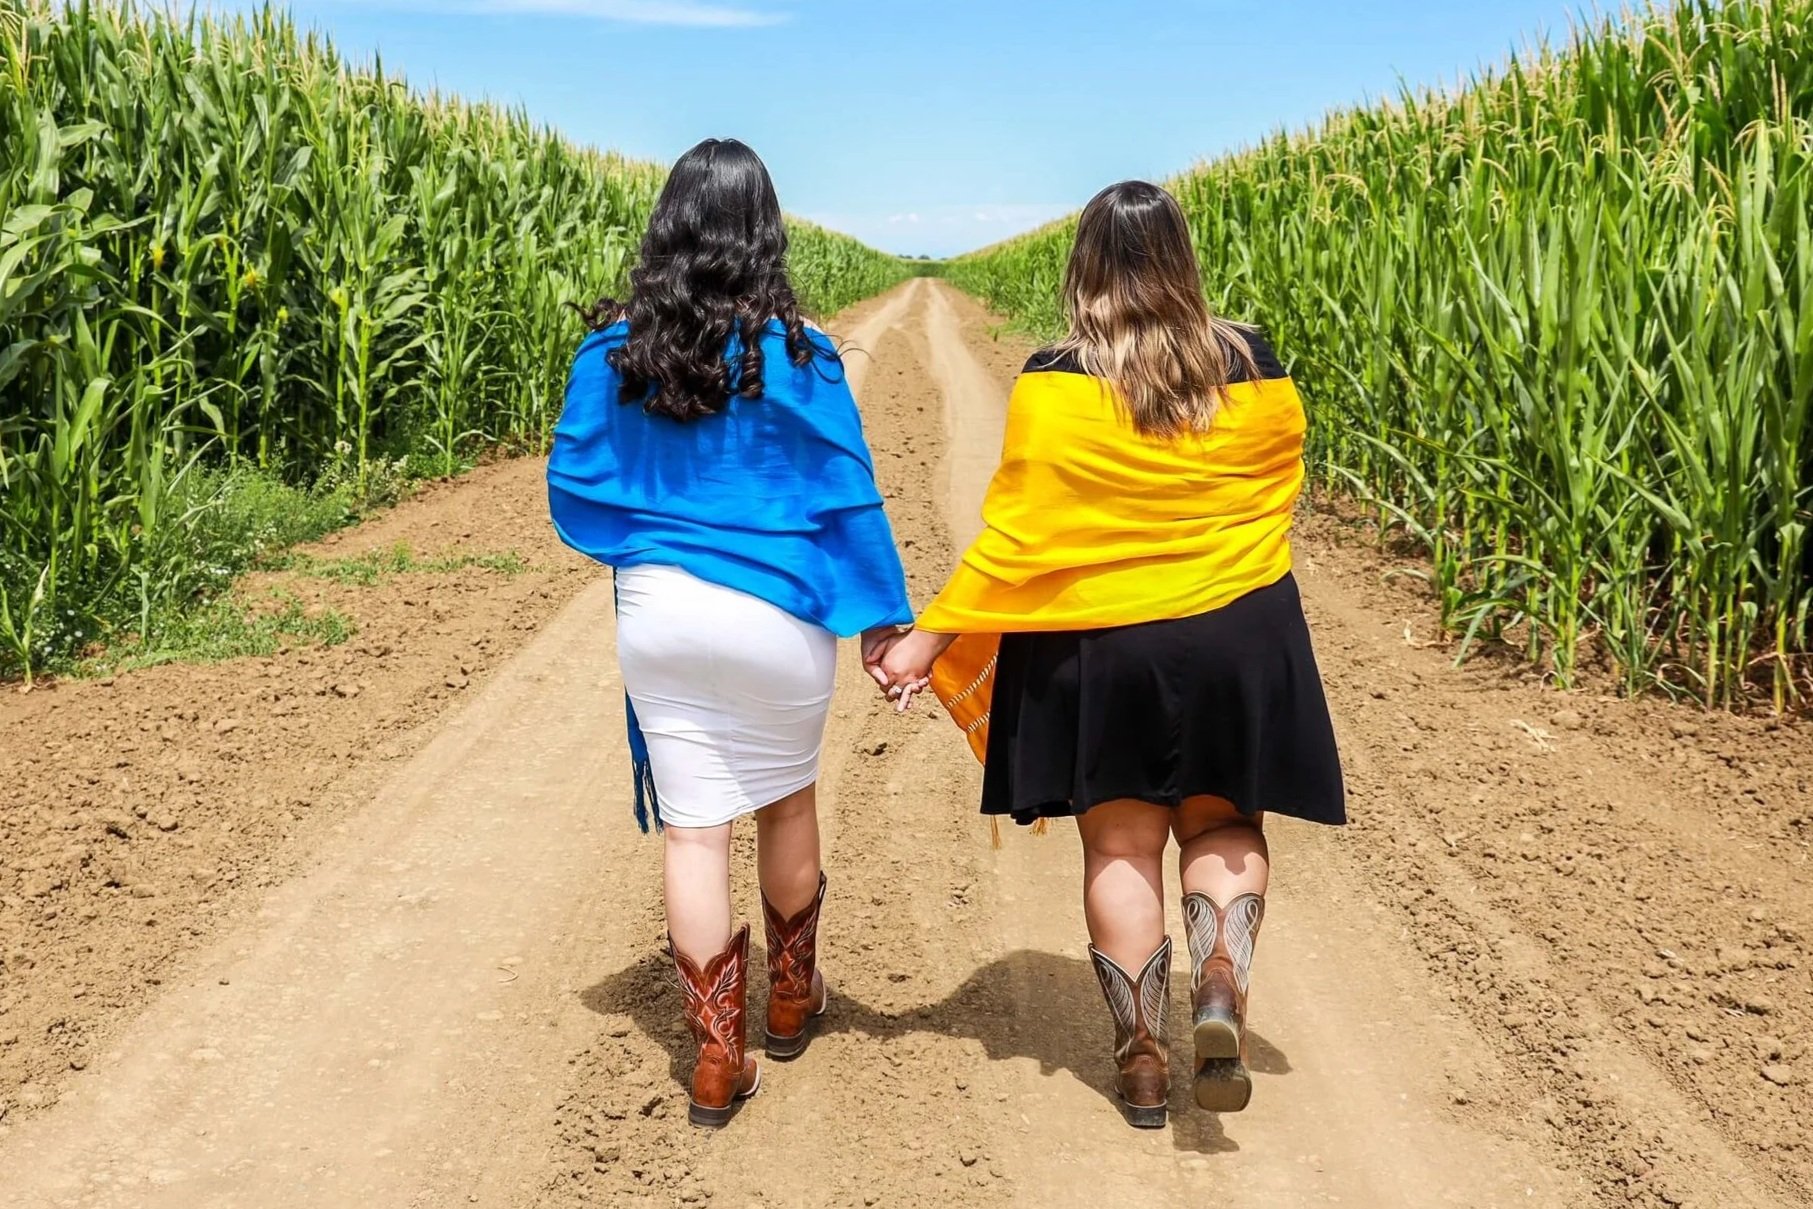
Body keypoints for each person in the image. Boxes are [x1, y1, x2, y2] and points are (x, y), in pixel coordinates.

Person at [874, 181, 1346, 1129]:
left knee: (1120, 841)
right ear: (1182, 260)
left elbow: (1021, 537)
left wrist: (927, 639)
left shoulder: (1056, 376)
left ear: (1083, 267)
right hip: (1236, 631)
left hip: (1103, 643)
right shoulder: (1252, 362)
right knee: (1222, 829)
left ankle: (1140, 1057)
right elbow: (1279, 482)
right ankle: (1219, 981)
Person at [548, 138, 911, 1129]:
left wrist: (653, 537)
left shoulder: (614, 354)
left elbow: (573, 483)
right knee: (786, 805)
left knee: (692, 832)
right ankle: (790, 999)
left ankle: (717, 1058)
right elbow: (847, 496)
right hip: (777, 617)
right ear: (766, 234)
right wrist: (883, 619)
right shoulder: (803, 358)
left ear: (667, 229)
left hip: (660, 618)